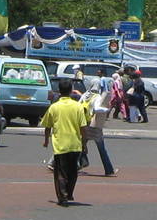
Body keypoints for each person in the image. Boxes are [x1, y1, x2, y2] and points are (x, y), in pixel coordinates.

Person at [40, 79, 92, 207]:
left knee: (60, 172)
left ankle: (62, 196)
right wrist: (84, 143)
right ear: (70, 91)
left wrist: (46, 140)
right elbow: (83, 127)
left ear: (59, 91)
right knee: (73, 171)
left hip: (60, 145)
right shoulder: (78, 107)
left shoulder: (54, 107)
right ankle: (68, 193)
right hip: (75, 144)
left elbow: (47, 126)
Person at [79, 78, 116, 176]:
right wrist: (106, 110)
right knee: (101, 148)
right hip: (93, 125)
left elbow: (78, 105)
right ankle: (109, 170)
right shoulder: (97, 96)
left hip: (83, 124)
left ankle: (78, 164)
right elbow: (97, 109)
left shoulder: (85, 95)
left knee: (81, 145)